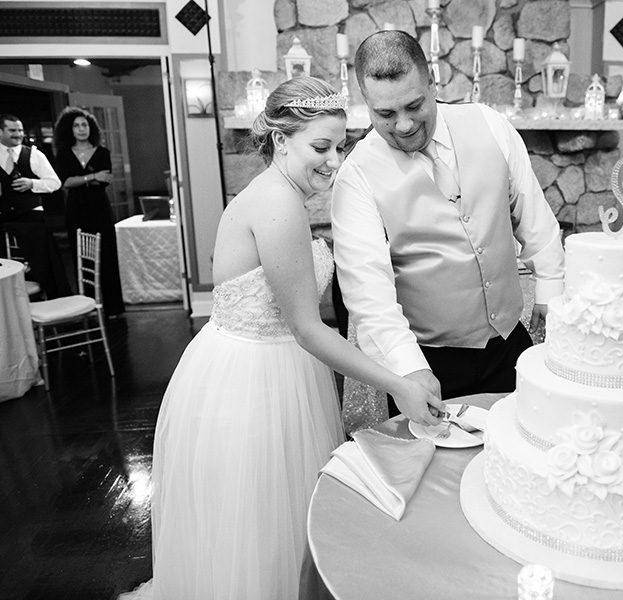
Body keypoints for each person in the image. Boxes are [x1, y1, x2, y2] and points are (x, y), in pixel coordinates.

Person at [129, 77, 442, 600]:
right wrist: (399, 383)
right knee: (260, 519)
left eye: (340, 146)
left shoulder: (281, 194)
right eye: (321, 147)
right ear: (280, 139)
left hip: (270, 364)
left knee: (272, 520)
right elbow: (307, 328)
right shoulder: (277, 203)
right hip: (251, 381)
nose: (334, 161)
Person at [331, 30, 565, 412]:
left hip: (509, 345)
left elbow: (533, 214)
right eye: (385, 114)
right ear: (365, 102)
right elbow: (367, 291)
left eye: (414, 105)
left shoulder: (490, 124)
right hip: (428, 362)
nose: (404, 125)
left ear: (432, 83)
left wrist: (551, 288)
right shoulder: (356, 175)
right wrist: (408, 368)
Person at [53, 107, 125, 316]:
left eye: (84, 124)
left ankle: (113, 308)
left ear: (91, 128)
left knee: (107, 256)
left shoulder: (103, 153)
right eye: (76, 125)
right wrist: (92, 177)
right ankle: (88, 307)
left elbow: (105, 180)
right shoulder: (64, 154)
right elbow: (66, 182)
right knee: (81, 256)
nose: (81, 129)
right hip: (76, 210)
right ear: (69, 130)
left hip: (100, 208)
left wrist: (80, 180)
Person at [0, 114, 71, 298]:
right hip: (3, 218)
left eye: (20, 130)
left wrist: (32, 183)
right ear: (0, 132)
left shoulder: (34, 155)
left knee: (43, 263)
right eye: (12, 130)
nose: (18, 134)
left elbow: (55, 183)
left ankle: (47, 301)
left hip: (32, 219)